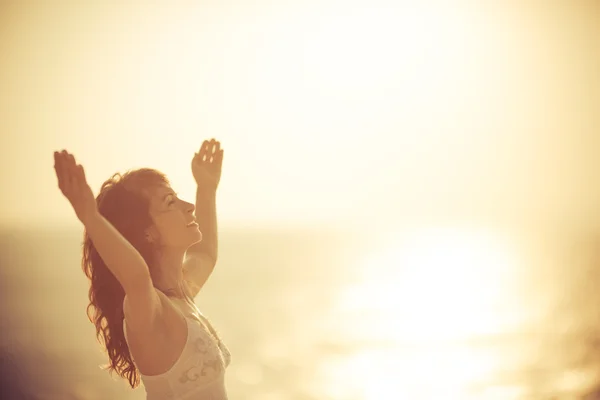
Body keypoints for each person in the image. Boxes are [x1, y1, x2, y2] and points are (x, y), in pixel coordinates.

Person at [53, 139, 230, 400]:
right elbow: (137, 276)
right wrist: (90, 217)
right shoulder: (149, 309)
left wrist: (206, 187)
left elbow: (206, 254)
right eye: (170, 202)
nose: (188, 206)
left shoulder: (182, 292)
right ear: (148, 233)